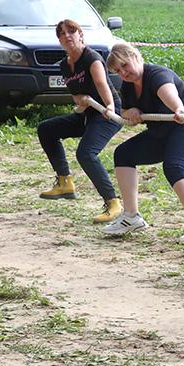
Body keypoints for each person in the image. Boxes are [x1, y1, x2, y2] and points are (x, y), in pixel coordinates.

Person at [101, 42, 184, 244]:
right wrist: (131, 112)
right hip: (163, 130)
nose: (123, 73)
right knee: (123, 154)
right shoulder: (128, 85)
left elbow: (169, 93)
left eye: (125, 65)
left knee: (174, 166)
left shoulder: (157, 75)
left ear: (136, 57)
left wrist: (178, 109)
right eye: (118, 71)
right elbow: (125, 111)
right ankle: (131, 217)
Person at [37, 19, 123, 224]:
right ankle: (64, 183)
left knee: (86, 153)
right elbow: (76, 94)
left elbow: (102, 84)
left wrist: (110, 106)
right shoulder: (64, 65)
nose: (67, 36)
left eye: (71, 31)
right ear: (59, 40)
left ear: (80, 35)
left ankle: (113, 203)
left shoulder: (92, 58)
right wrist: (80, 100)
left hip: (106, 114)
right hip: (87, 114)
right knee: (46, 129)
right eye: (62, 33)